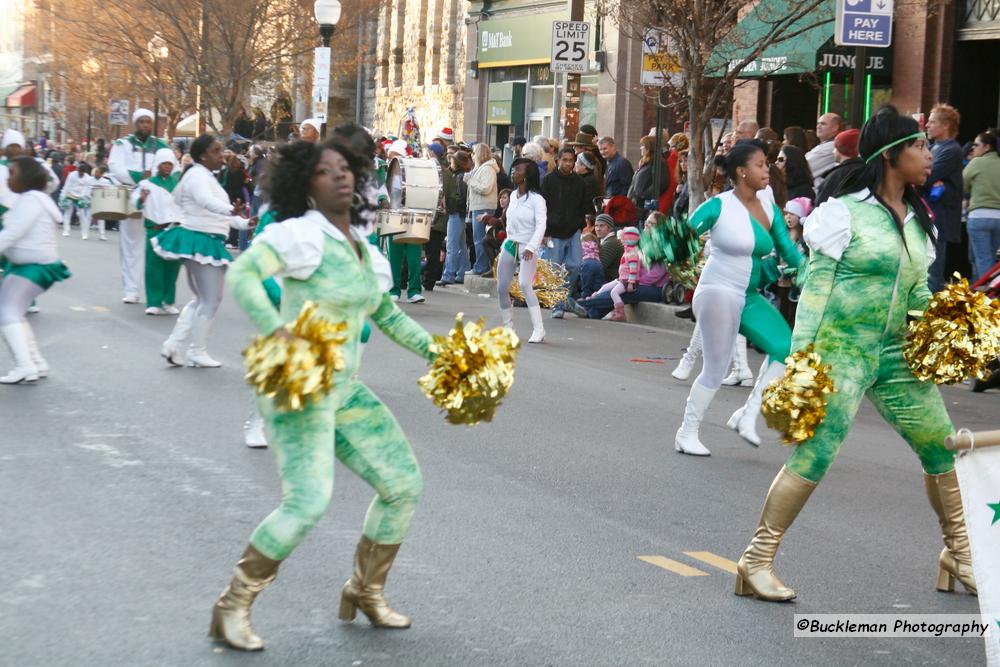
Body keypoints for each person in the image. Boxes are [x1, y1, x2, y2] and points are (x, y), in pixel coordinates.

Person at [735, 105, 976, 602]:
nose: (929, 155)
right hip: (840, 352)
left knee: (941, 445)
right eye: (919, 146)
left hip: (895, 355)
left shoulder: (916, 221)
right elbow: (815, 292)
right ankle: (754, 562)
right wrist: (802, 364)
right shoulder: (842, 213)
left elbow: (914, 295)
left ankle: (959, 554)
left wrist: (948, 333)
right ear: (891, 154)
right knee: (817, 454)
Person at [210, 139, 440, 651]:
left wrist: (440, 354)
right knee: (308, 500)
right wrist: (276, 329)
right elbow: (245, 272)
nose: (339, 177)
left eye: (345, 168)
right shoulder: (300, 237)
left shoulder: (360, 245)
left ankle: (364, 590)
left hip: (344, 390)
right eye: (323, 171)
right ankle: (232, 606)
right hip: (299, 388)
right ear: (303, 184)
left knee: (402, 484)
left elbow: (385, 314)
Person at [674, 140, 806, 456]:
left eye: (768, 164)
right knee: (717, 367)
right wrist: (676, 256)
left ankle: (747, 413)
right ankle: (686, 432)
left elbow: (789, 252)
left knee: (784, 346)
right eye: (760, 164)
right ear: (742, 171)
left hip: (747, 296)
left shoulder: (771, 211)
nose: (767, 170)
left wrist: (814, 274)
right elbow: (681, 239)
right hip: (717, 291)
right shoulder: (718, 206)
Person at [153, 134, 251, 368]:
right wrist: (231, 210)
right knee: (210, 299)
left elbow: (219, 214)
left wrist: (246, 223)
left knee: (202, 299)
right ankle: (196, 351)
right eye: (217, 151)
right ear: (203, 155)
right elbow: (206, 201)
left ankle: (174, 345)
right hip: (199, 239)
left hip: (205, 239)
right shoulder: (197, 176)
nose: (222, 155)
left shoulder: (205, 176)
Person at [0, 157, 70, 383]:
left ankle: (26, 365)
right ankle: (35, 363)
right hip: (30, 266)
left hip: (33, 267)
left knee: (7, 313)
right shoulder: (31, 199)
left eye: (12, 173)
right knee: (12, 312)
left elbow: (11, 234)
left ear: (27, 177)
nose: (8, 178)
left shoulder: (31, 201)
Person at [108, 108, 171, 304]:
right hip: (131, 196)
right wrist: (138, 176)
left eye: (148, 122)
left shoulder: (161, 145)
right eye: (142, 122)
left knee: (154, 246)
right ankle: (131, 289)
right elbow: (115, 166)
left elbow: (173, 167)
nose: (145, 125)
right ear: (135, 124)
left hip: (156, 199)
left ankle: (154, 292)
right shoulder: (123, 144)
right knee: (130, 245)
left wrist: (155, 178)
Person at [497, 158, 547, 343]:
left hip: (528, 246)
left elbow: (541, 225)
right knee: (501, 287)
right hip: (511, 243)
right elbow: (509, 222)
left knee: (525, 284)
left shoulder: (537, 200)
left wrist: (532, 247)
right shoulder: (512, 196)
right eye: (513, 169)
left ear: (527, 175)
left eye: (517, 170)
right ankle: (508, 328)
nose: (513, 173)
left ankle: (539, 329)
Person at [131, 148, 183, 316]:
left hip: (174, 230)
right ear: (158, 165)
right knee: (154, 266)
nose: (167, 167)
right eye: (164, 164)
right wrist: (142, 199)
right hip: (155, 229)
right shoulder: (147, 184)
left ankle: (168, 301)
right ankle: (153, 302)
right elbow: (135, 201)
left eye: (170, 164)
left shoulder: (178, 184)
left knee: (172, 266)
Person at [542, 147, 588, 319]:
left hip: (573, 229)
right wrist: (544, 232)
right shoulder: (548, 180)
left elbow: (583, 206)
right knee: (553, 269)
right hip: (553, 231)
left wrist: (580, 226)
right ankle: (557, 304)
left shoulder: (579, 182)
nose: (568, 163)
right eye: (565, 160)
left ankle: (564, 296)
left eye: (571, 160)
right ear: (558, 160)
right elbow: (543, 207)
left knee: (575, 265)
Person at [923, 104, 965, 293]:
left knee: (933, 273)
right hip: (929, 216)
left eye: (932, 122)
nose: (927, 126)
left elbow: (926, 175)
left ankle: (929, 319)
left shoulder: (952, 150)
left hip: (940, 219)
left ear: (946, 125)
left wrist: (926, 178)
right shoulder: (933, 147)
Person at [963, 129, 1000, 281]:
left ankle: (985, 300)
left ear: (987, 147)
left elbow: (962, 183)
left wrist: (972, 188)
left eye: (976, 145)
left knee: (982, 259)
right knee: (992, 258)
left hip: (978, 217)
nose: (973, 148)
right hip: (998, 218)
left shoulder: (976, 162)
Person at [592, 226, 642, 322]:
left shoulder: (632, 253)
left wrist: (631, 282)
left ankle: (620, 313)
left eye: (623, 239)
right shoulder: (627, 251)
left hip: (627, 280)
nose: (621, 241)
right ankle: (594, 297)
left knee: (614, 292)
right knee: (605, 287)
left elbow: (633, 269)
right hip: (622, 278)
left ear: (630, 239)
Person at [422, 142, 452, 290]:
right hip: (437, 217)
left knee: (428, 251)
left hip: (432, 217)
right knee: (431, 251)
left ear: (431, 152)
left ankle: (426, 280)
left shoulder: (432, 170)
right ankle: (428, 280)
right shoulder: (446, 172)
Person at [438, 150, 471, 286]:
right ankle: (463, 272)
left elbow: (458, 197)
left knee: (452, 245)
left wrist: (449, 207)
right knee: (461, 245)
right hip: (461, 213)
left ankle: (449, 274)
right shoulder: (463, 176)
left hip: (456, 213)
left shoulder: (458, 177)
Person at [466, 143, 499, 275]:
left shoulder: (488, 169)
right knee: (478, 239)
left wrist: (471, 182)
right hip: (478, 205)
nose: (472, 156)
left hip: (483, 206)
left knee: (480, 239)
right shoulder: (480, 168)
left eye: (474, 153)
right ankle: (480, 265)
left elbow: (486, 188)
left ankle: (481, 267)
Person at [815, 129, 862, 205]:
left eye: (835, 147)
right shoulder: (866, 170)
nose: (833, 151)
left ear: (841, 148)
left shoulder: (836, 175)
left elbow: (820, 205)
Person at [629, 136, 669, 220]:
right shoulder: (645, 162)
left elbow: (660, 183)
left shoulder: (658, 162)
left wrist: (644, 195)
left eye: (642, 146)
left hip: (645, 207)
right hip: (637, 206)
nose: (640, 148)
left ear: (648, 148)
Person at [805, 113, 844, 185]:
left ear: (835, 127)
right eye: (818, 124)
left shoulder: (832, 147)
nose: (818, 127)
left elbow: (801, 169)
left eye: (823, 124)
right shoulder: (826, 145)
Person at [578, 232, 604, 298]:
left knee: (585, 284)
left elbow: (585, 284)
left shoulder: (583, 246)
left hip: (586, 263)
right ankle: (598, 297)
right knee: (598, 282)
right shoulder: (595, 246)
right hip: (598, 263)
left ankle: (585, 299)